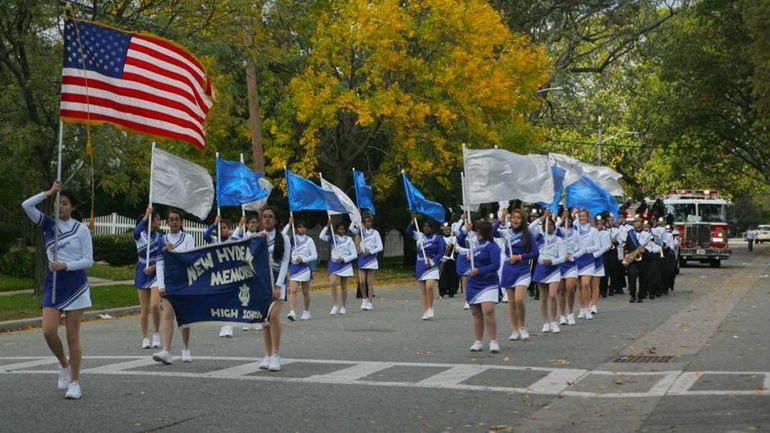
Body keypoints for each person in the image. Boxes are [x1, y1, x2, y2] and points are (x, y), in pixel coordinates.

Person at [22, 181, 93, 399]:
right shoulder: (48, 225)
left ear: (71, 207)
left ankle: (75, 382)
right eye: (58, 203)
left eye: (64, 203)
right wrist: (49, 192)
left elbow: (88, 261)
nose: (60, 207)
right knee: (48, 330)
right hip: (54, 284)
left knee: (73, 335)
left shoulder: (81, 229)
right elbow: (26, 206)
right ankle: (64, 364)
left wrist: (67, 265)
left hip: (76, 284)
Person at [152, 209, 196, 365]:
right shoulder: (161, 240)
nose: (174, 222)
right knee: (168, 315)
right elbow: (159, 263)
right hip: (169, 283)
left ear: (181, 221)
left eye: (177, 219)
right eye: (171, 219)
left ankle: (185, 348)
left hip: (185, 282)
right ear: (167, 222)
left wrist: (173, 251)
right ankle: (167, 350)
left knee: (184, 317)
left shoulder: (188, 238)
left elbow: (189, 260)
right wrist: (161, 285)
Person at [256, 207, 291, 372]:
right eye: (265, 217)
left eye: (271, 216)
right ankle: (267, 354)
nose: (267, 219)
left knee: (273, 316)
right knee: (264, 320)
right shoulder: (257, 237)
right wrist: (257, 241)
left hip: (278, 281)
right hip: (262, 283)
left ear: (276, 220)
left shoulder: (283, 238)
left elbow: (284, 262)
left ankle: (276, 354)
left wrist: (278, 285)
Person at [495, 208, 538, 341]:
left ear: (522, 220)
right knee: (512, 302)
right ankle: (515, 329)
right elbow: (491, 232)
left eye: (518, 218)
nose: (516, 220)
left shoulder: (528, 234)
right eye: (514, 217)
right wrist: (501, 219)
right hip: (509, 269)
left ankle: (522, 326)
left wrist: (520, 257)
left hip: (522, 269)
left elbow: (535, 253)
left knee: (519, 300)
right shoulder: (505, 232)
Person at [466, 220, 501, 353]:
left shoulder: (492, 246)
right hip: (473, 283)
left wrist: (480, 271)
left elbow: (495, 265)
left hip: (488, 283)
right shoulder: (474, 244)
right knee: (476, 313)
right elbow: (461, 240)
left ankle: (493, 341)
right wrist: (467, 230)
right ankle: (478, 341)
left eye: (476, 230)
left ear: (481, 231)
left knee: (488, 311)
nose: (475, 232)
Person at [133, 206, 162, 348]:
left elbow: (162, 257)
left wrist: (154, 267)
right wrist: (146, 216)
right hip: (142, 271)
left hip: (156, 272)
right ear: (151, 221)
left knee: (155, 305)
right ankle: (145, 337)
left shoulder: (160, 237)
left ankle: (156, 333)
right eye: (157, 220)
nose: (159, 222)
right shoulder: (140, 236)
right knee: (144, 308)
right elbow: (136, 232)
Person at [406, 217, 446, 320]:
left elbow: (441, 252)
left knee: (429, 287)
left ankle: (430, 307)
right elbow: (408, 232)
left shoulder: (438, 239)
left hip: (432, 265)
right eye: (424, 226)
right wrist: (412, 223)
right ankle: (426, 310)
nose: (426, 228)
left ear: (432, 228)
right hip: (420, 264)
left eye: (428, 226)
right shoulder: (419, 236)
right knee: (423, 290)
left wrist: (432, 262)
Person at [532, 216, 567, 334]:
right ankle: (546, 322)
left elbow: (563, 257)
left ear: (554, 227)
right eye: (547, 225)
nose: (549, 227)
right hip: (541, 269)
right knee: (543, 297)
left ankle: (553, 321)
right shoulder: (539, 238)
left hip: (554, 269)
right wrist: (541, 218)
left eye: (551, 225)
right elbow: (529, 228)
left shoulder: (559, 240)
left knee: (552, 295)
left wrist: (552, 261)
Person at [320, 219, 357, 315]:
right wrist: (327, 225)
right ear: (336, 230)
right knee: (332, 283)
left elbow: (354, 254)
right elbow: (321, 236)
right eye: (340, 229)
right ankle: (335, 305)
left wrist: (344, 259)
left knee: (343, 286)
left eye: (343, 229)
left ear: (345, 230)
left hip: (345, 264)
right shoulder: (333, 238)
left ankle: (343, 306)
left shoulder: (349, 240)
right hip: (334, 263)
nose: (341, 231)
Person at [283, 217, 318, 320]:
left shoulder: (309, 240)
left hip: (305, 267)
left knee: (305, 291)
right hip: (294, 267)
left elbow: (315, 256)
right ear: (296, 229)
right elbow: (282, 235)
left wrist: (303, 259)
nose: (302, 229)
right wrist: (289, 224)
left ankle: (306, 311)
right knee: (293, 290)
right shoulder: (292, 238)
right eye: (299, 227)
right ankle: (292, 312)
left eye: (303, 227)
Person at [350, 214, 383, 310]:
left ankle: (369, 301)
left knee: (369, 282)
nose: (368, 223)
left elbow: (380, 247)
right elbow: (351, 228)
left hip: (371, 258)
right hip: (362, 258)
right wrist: (356, 217)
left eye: (369, 221)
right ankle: (364, 298)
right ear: (363, 223)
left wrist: (370, 252)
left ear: (371, 222)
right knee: (361, 281)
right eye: (366, 222)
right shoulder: (361, 232)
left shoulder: (375, 233)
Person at [557, 209, 582, 326]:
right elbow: (550, 228)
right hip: (560, 263)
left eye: (569, 219)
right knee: (561, 290)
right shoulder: (558, 231)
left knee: (570, 288)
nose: (568, 221)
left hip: (571, 264)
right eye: (565, 219)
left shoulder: (576, 233)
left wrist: (573, 256)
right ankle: (562, 315)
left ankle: (570, 313)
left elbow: (583, 248)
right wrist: (562, 217)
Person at [575, 209, 599, 320]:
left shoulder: (593, 230)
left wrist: (586, 249)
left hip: (588, 259)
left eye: (583, 216)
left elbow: (597, 246)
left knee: (585, 284)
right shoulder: (574, 229)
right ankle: (582, 308)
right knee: (579, 286)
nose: (581, 218)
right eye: (580, 216)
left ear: (588, 217)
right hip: (576, 260)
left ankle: (588, 308)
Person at [624, 215, 650, 303]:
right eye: (634, 221)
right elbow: (626, 245)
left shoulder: (647, 234)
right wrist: (626, 253)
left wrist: (645, 250)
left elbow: (651, 247)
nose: (635, 223)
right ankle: (632, 295)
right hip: (632, 259)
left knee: (643, 278)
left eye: (637, 221)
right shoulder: (630, 233)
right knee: (632, 276)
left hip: (643, 259)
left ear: (641, 223)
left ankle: (641, 295)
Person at [590, 215, 612, 314]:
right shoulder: (589, 232)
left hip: (599, 257)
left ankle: (594, 304)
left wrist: (596, 254)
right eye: (596, 224)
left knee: (595, 283)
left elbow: (606, 246)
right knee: (585, 284)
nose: (597, 226)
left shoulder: (605, 233)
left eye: (599, 224)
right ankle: (586, 303)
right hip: (586, 259)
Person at [438, 222, 459, 298]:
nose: (446, 231)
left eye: (447, 230)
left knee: (452, 275)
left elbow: (456, 248)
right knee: (442, 276)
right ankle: (442, 291)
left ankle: (451, 291)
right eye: (444, 230)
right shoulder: (439, 238)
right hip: (442, 259)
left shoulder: (454, 238)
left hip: (451, 259)